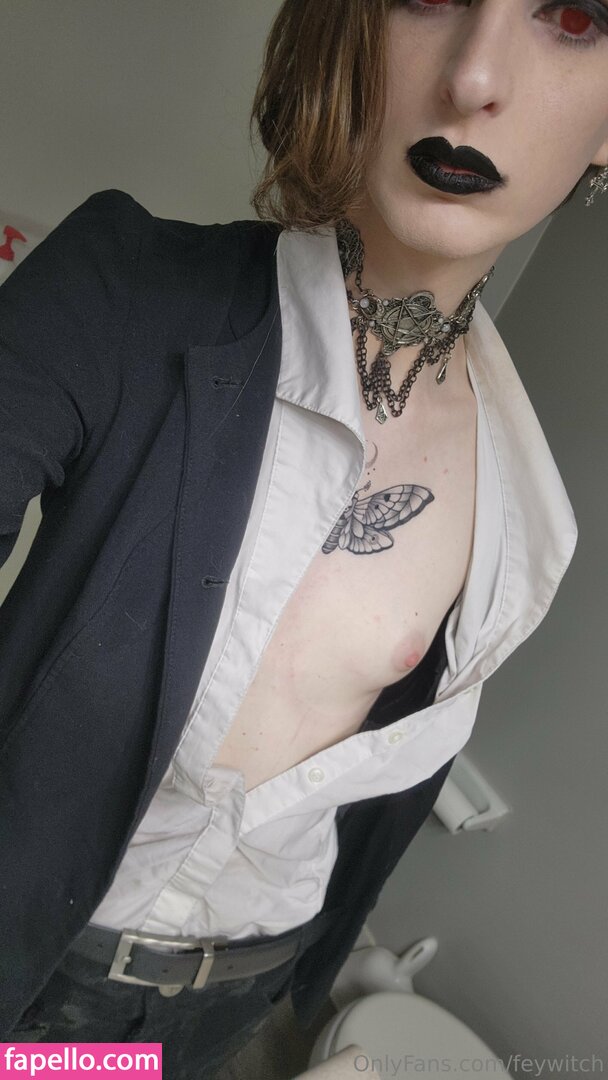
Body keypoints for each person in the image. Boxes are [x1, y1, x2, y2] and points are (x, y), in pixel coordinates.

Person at [1, 0, 606, 1075]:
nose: (473, 79)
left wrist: (303, 983)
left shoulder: (523, 507)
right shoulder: (123, 289)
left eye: (571, 17)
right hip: (43, 979)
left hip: (234, 996)